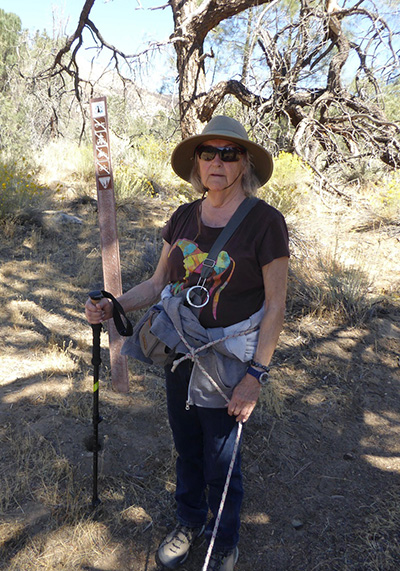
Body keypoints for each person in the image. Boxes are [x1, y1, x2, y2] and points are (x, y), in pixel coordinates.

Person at [85, 115, 289, 571]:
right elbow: (159, 284)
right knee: (187, 447)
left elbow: (275, 306)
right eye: (208, 152)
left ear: (244, 164)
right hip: (179, 354)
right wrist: (113, 303)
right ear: (196, 162)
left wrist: (256, 375)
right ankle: (189, 520)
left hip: (230, 364)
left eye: (229, 153)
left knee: (221, 456)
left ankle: (224, 537)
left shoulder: (265, 222)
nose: (217, 161)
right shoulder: (181, 217)